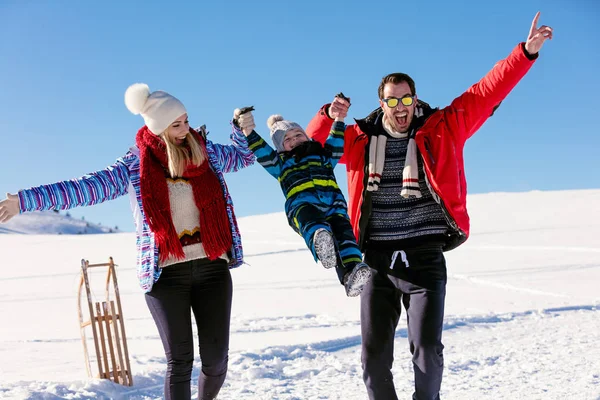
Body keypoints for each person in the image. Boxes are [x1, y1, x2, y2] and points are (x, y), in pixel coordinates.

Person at [305, 12, 553, 400]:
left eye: (406, 99)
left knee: (427, 352)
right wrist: (328, 116)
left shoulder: (443, 125)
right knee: (372, 360)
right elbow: (312, 148)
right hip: (375, 260)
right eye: (392, 100)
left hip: (424, 256)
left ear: (415, 99)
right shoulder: (356, 137)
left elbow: (485, 92)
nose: (400, 107)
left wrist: (524, 53)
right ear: (381, 103)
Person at [0, 83, 256, 400]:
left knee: (216, 361)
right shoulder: (135, 165)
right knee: (180, 362)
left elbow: (244, 158)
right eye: (176, 124)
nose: (185, 129)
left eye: (186, 120)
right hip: (166, 276)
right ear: (158, 128)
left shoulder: (206, 152)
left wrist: (240, 131)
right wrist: (23, 201)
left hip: (212, 269)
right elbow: (84, 188)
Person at [234, 102, 371, 297]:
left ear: (306, 136)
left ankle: (352, 272)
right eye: (287, 139)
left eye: (298, 134)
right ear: (281, 147)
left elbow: (336, 141)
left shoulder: (323, 156)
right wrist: (248, 131)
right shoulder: (280, 164)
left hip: (334, 206)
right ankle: (321, 243)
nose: (294, 139)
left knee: (345, 235)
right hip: (302, 205)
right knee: (312, 221)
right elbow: (262, 150)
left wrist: (339, 119)